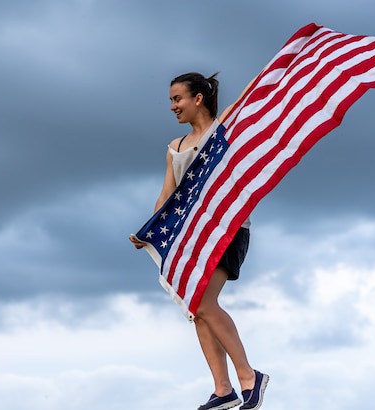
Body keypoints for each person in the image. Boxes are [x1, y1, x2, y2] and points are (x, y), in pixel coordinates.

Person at [129, 72, 269, 410]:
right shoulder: (174, 149)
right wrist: (149, 230)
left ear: (198, 99)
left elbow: (248, 98)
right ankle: (223, 389)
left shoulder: (222, 131)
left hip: (227, 228)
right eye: (171, 101)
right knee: (196, 308)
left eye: (177, 99)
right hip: (189, 235)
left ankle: (249, 377)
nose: (173, 107)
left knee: (205, 302)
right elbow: (166, 195)